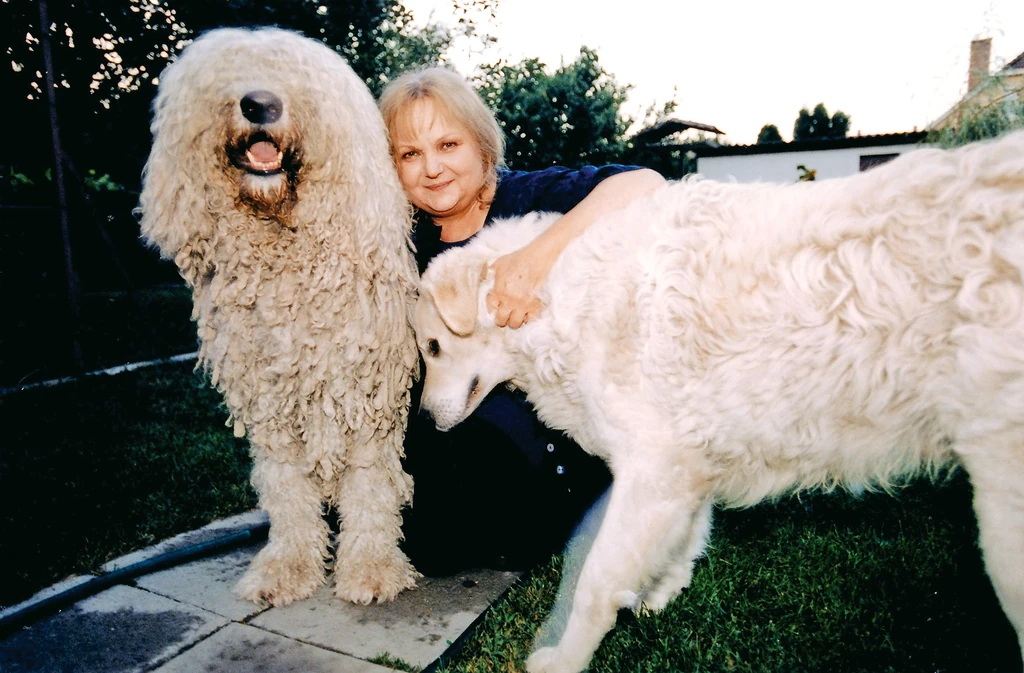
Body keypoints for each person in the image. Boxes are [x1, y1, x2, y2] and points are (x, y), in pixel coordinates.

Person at [378, 67, 665, 575]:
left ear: (482, 148)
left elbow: (646, 183)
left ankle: (560, 515)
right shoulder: (405, 244)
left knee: (465, 479)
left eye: (448, 144)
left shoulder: (529, 197)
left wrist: (537, 257)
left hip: (556, 432)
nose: (432, 168)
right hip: (448, 416)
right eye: (410, 154)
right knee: (419, 521)